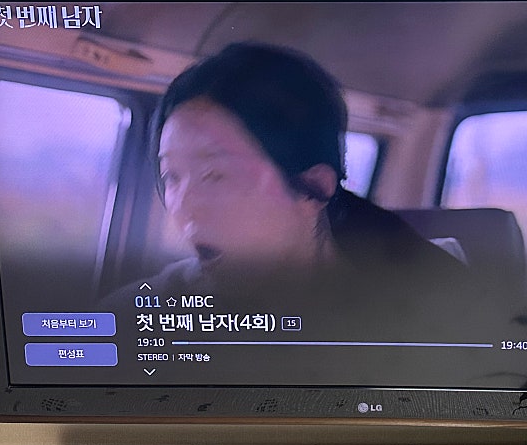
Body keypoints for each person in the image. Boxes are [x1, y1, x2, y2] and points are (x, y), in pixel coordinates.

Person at [139, 42, 482, 342]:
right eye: (172, 176)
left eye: (215, 175)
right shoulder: (150, 316)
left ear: (314, 187)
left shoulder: (435, 307)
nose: (184, 208)